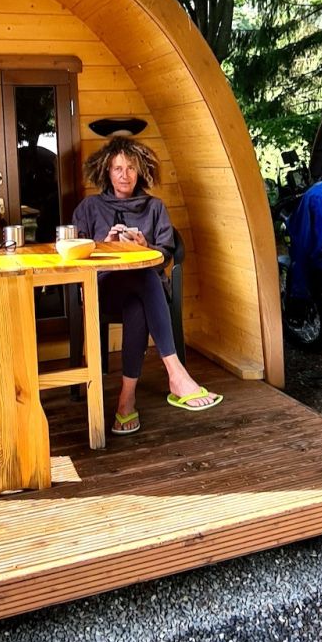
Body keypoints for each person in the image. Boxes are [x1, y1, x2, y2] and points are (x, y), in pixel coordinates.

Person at [72, 135, 222, 434]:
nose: (124, 175)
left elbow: (164, 254)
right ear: (106, 171)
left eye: (131, 168)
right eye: (117, 168)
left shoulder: (155, 207)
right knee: (144, 277)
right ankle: (176, 374)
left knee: (140, 291)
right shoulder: (89, 207)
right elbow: (75, 252)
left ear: (141, 171)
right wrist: (107, 245)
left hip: (144, 291)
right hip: (104, 289)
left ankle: (126, 401)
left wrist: (145, 247)